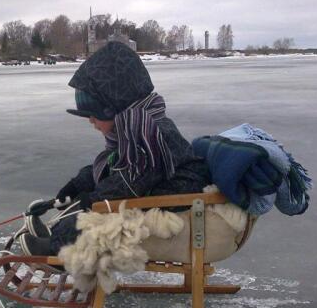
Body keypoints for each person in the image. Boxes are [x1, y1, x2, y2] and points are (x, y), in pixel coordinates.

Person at [20, 41, 210, 256]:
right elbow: (115, 164)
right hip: (155, 191)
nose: (91, 121)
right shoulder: (137, 126)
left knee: (98, 215)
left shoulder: (150, 133)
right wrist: (77, 185)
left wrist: (89, 200)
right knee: (95, 205)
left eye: (94, 114)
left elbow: (128, 183)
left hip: (174, 199)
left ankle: (59, 251)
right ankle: (56, 236)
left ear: (115, 108)